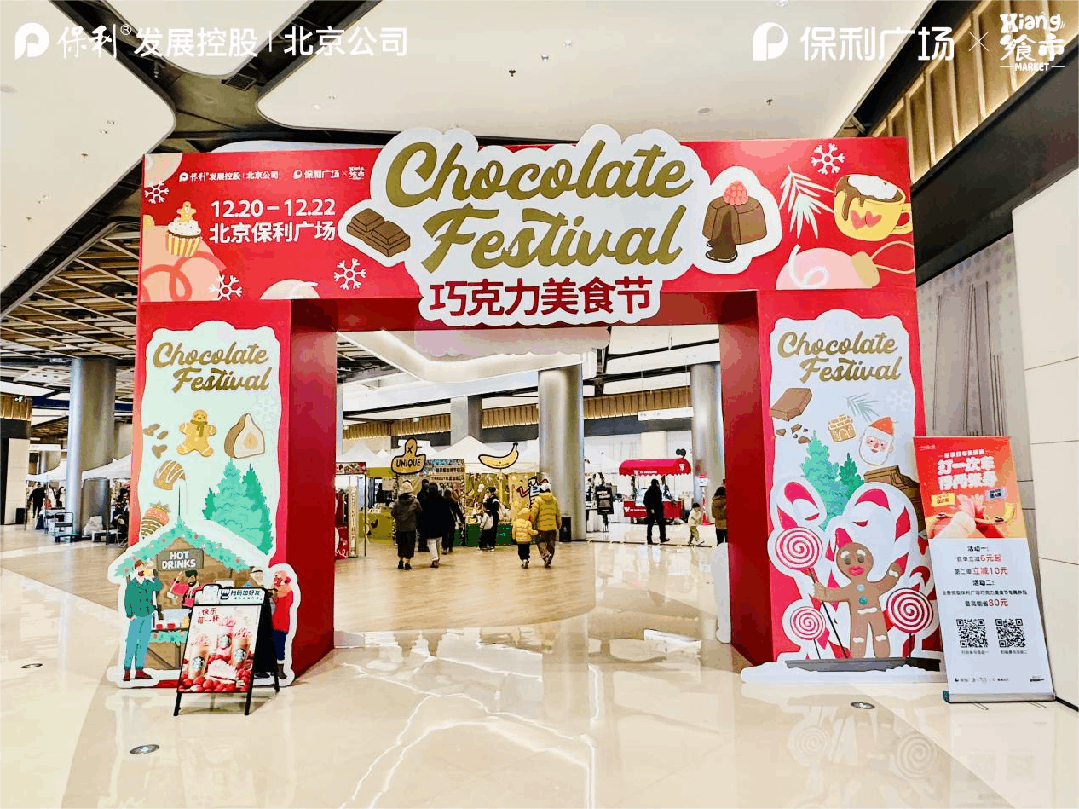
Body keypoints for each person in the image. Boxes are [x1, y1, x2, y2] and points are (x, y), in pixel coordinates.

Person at [122, 559, 162, 682]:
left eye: (144, 567)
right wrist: (130, 614)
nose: (142, 569)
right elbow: (127, 600)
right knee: (132, 643)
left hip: (147, 615)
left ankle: (139, 670)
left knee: (143, 643)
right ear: (136, 569)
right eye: (140, 567)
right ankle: (127, 671)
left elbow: (158, 586)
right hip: (136, 617)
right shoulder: (132, 585)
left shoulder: (148, 583)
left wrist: (152, 576)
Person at [391, 481, 422, 570]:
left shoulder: (397, 502)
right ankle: (407, 562)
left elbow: (393, 513)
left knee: (401, 544)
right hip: (411, 527)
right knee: (410, 545)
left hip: (400, 527)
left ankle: (401, 561)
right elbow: (420, 512)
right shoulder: (415, 502)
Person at [529, 483, 562, 568]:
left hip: (541, 527)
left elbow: (534, 513)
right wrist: (559, 524)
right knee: (551, 544)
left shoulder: (538, 499)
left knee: (540, 541)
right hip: (552, 527)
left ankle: (546, 556)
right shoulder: (554, 500)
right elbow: (558, 513)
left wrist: (532, 522)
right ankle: (549, 557)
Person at [421, 486, 445, 568]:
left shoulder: (426, 500)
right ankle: (438, 557)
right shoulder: (441, 499)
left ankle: (435, 559)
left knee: (431, 542)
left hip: (429, 525)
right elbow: (445, 512)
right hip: (440, 525)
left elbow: (423, 514)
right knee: (438, 542)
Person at [643, 479, 667, 545]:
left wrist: (650, 508)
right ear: (656, 484)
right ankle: (662, 538)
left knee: (651, 525)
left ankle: (650, 539)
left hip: (654, 511)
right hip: (656, 511)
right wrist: (652, 508)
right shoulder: (655, 491)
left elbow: (645, 502)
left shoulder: (648, 491)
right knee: (660, 525)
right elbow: (655, 501)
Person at [442, 488, 464, 554]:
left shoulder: (441, 502)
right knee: (451, 534)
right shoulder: (453, 502)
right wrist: (462, 519)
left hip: (443, 520)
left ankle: (444, 548)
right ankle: (450, 547)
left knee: (444, 535)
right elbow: (458, 511)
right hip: (452, 520)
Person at [479, 487, 500, 552]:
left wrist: (488, 510)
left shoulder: (495, 500)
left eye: (488, 492)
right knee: (487, 532)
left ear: (492, 492)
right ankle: (486, 545)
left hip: (493, 517)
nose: (487, 493)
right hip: (489, 517)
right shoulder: (488, 499)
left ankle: (491, 545)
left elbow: (494, 508)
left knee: (492, 531)